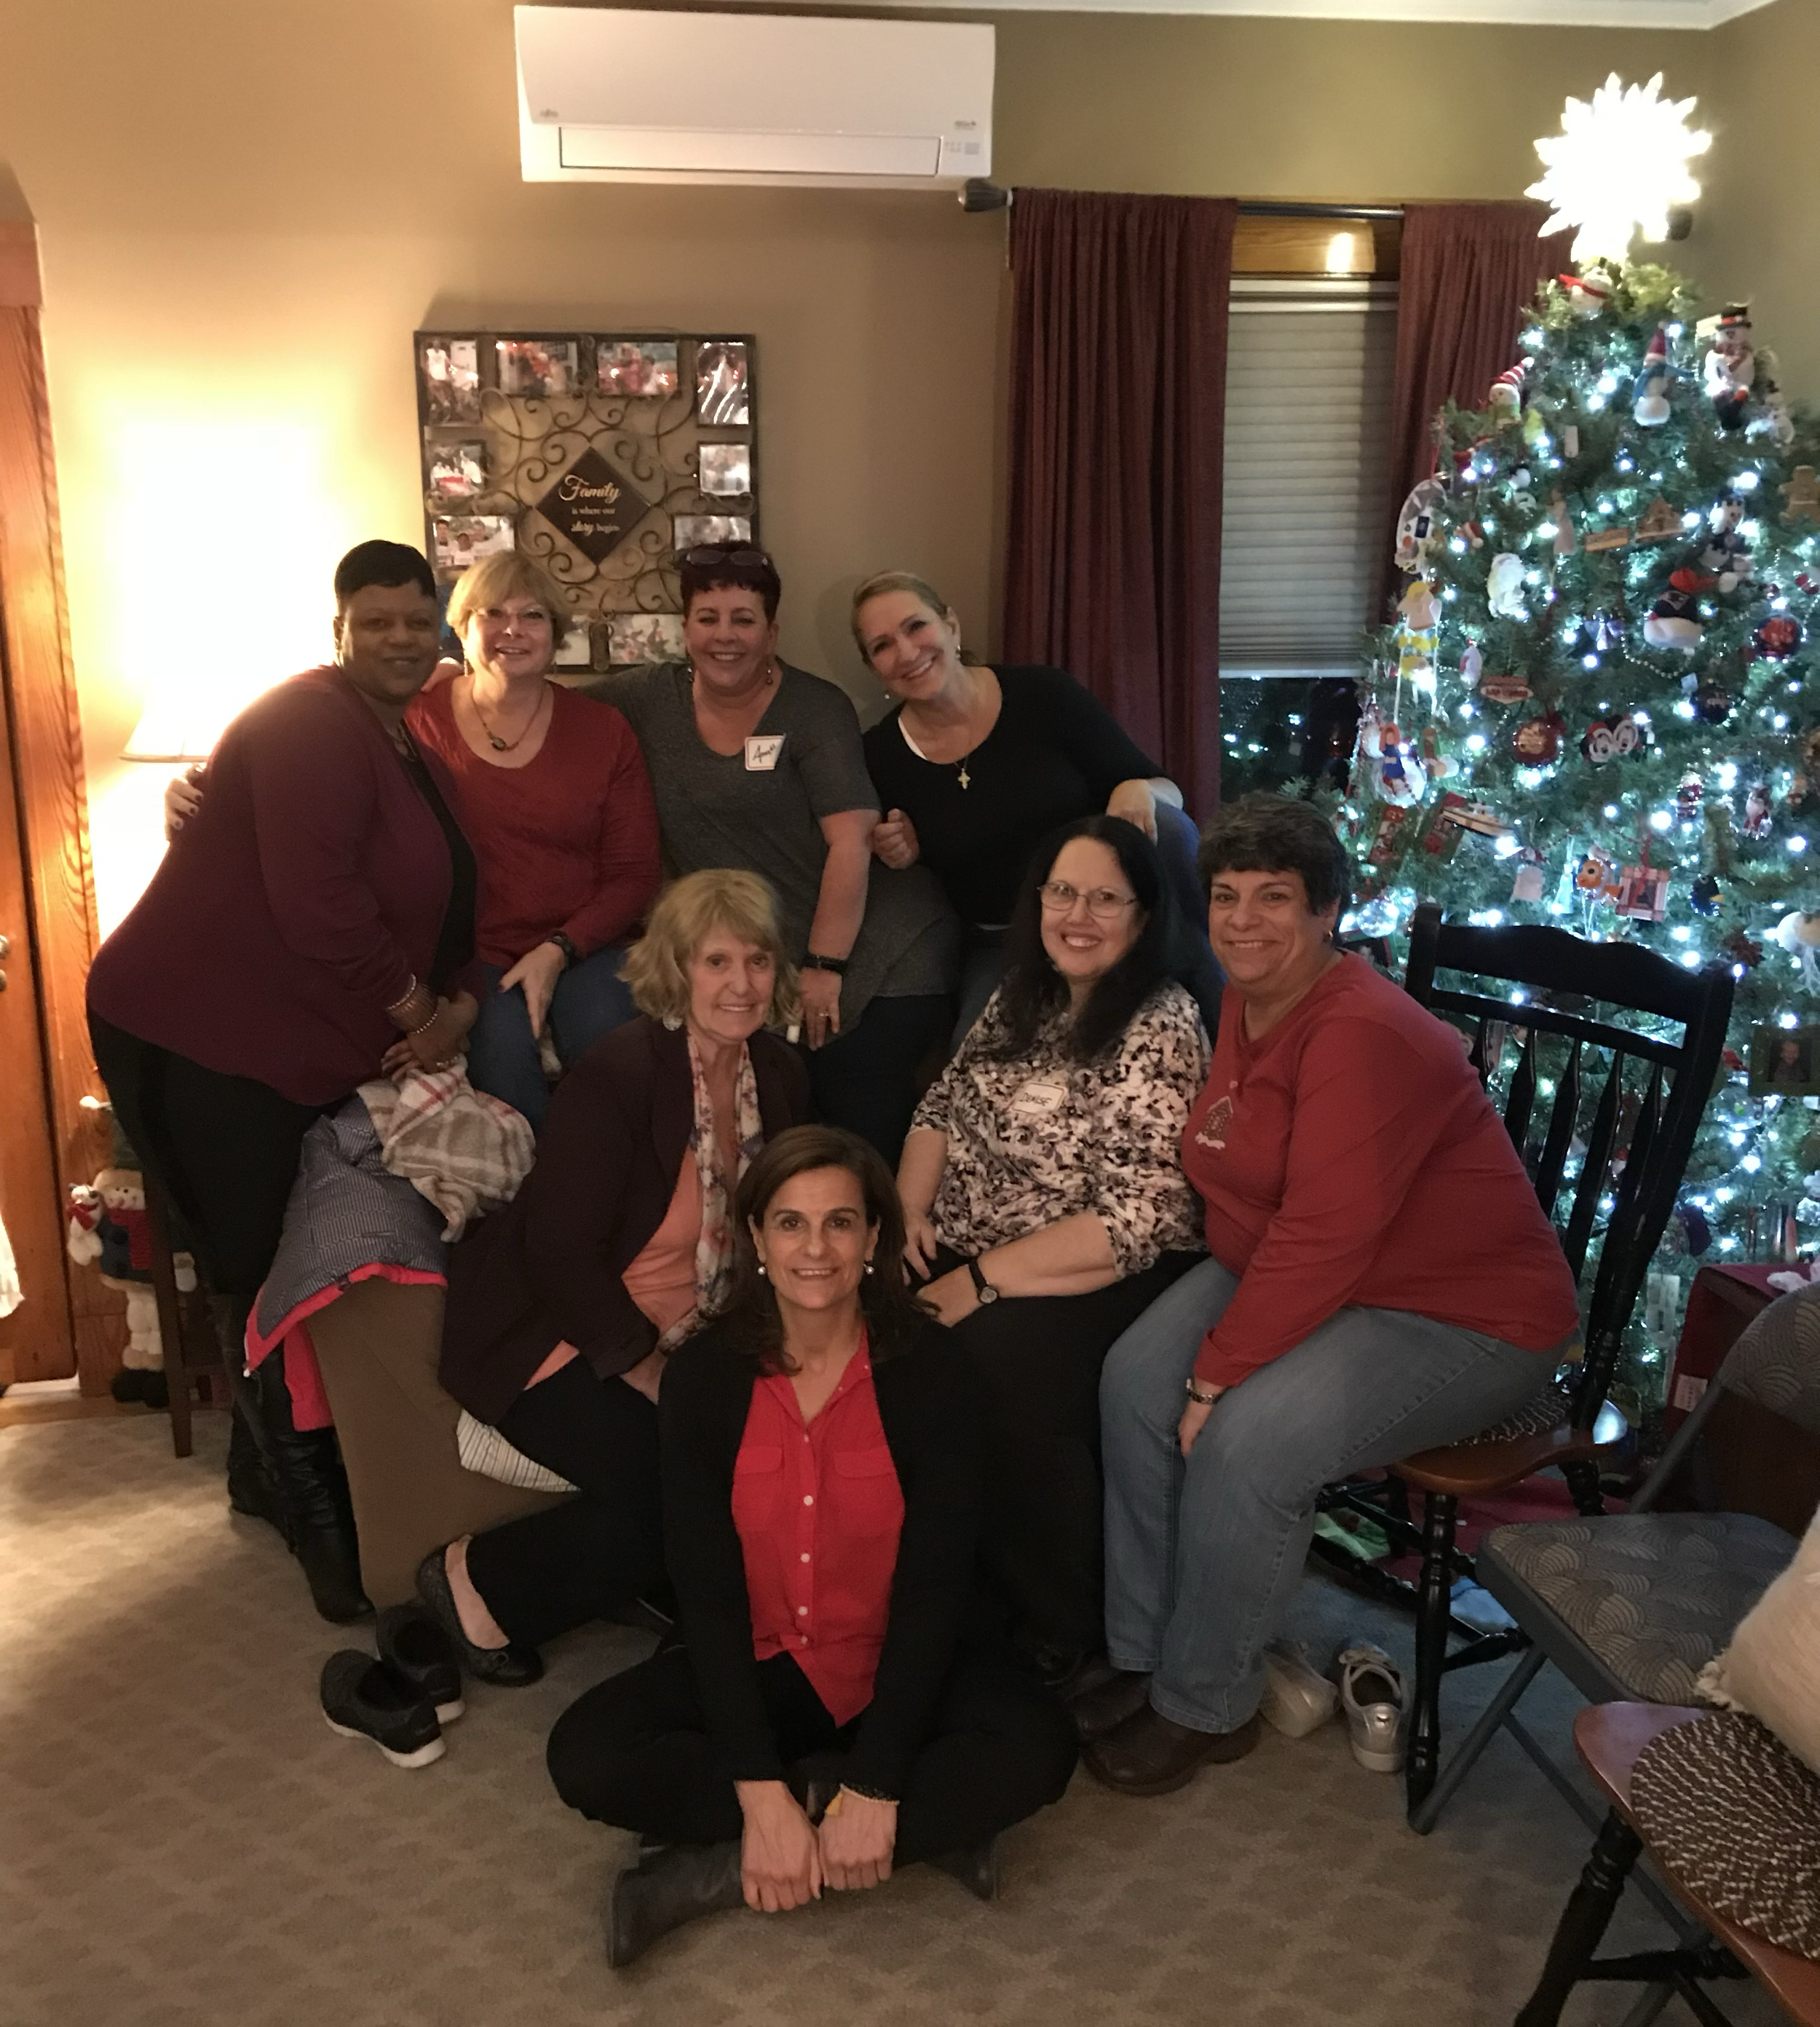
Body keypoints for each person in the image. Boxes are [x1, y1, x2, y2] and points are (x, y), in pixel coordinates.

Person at [1082, 794, 1583, 1794]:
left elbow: (1330, 1230)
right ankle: (1145, 1652)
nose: (1243, 921)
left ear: (1328, 915)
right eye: (1226, 897)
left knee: (1248, 1440)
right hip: (1306, 1264)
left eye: (1277, 899)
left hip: (1460, 1309)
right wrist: (1196, 1364)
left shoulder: (1361, 1030)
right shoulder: (1247, 998)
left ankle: (1206, 1701)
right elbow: (1264, 1186)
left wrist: (1220, 1374)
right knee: (1134, 1378)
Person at [545, 1125, 1078, 1968]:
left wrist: (878, 1776)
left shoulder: (931, 1369)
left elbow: (935, 1584)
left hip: (896, 1655)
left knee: (1040, 1748)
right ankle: (868, 1830)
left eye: (839, 1222)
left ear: (873, 1238)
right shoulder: (704, 1377)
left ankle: (720, 1870)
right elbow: (706, 1585)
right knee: (586, 1755)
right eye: (790, 1223)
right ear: (756, 1238)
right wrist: (759, 1789)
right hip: (763, 1656)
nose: (815, 1248)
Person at [88, 539, 482, 1622]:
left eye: (417, 619)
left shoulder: (405, 741)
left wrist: (460, 1002)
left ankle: (262, 1475)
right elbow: (319, 904)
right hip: (200, 1033)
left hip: (293, 1040)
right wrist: (418, 1013)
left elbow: (440, 904)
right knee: (256, 1270)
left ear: (442, 625)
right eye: (376, 621)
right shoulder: (310, 721)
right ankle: (310, 1511)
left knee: (279, 1260)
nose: (400, 639)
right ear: (340, 629)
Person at [429, 871, 813, 1683]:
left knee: (768, 1476)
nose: (740, 985)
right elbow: (558, 1253)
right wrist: (648, 1370)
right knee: (679, 1499)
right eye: (716, 962)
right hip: (561, 1328)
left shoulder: (776, 1077)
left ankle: (677, 1599)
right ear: (677, 969)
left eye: (756, 962)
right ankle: (474, 1579)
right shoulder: (622, 1074)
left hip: (697, 1324)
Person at [167, 551, 660, 1133]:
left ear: (556, 632)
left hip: (583, 945)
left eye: (533, 616)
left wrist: (559, 949)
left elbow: (633, 872)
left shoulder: (603, 730)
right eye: (492, 613)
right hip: (465, 954)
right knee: (500, 1065)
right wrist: (197, 788)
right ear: (463, 628)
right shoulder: (413, 714)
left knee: (613, 1047)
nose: (512, 631)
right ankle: (535, 1205)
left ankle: (621, 1192)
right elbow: (298, 767)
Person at [896, 816, 1209, 1678]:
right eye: (1062, 892)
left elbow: (1135, 1219)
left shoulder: (1159, 1023)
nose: (1078, 913)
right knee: (875, 1340)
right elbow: (940, 1106)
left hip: (1106, 1269)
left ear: (1144, 917)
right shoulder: (1019, 993)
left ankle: (1061, 1622)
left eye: (1105, 897)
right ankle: (953, 1581)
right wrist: (907, 1212)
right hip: (977, 1243)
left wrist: (980, 1285)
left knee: (998, 1369)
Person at [588, 545, 957, 1162]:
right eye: (708, 618)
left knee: (848, 1088)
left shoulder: (815, 708)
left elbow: (851, 842)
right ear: (686, 629)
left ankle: (882, 1242)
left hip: (879, 938)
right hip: (758, 948)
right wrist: (449, 672)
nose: (724, 636)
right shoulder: (649, 697)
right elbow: (546, 705)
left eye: (743, 618)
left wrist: (821, 966)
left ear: (772, 631)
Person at [853, 570, 1216, 1042]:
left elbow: (1169, 792)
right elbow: (907, 850)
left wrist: (1141, 789)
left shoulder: (1043, 695)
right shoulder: (880, 756)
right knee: (977, 1063)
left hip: (1106, 918)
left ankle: (1226, 1020)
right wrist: (905, 850)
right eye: (882, 646)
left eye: (915, 627)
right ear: (874, 667)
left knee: (1167, 828)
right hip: (1006, 942)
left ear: (951, 626)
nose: (906, 652)